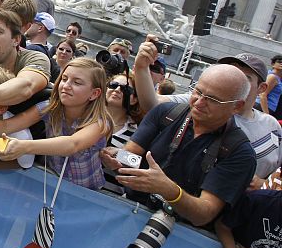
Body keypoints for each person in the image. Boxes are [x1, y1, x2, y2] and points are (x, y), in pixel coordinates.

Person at [100, 64, 256, 226]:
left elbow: (204, 214)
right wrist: (116, 157)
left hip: (179, 234)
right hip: (131, 212)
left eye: (212, 99)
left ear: (237, 106)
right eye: (198, 91)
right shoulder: (165, 113)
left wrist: (169, 190)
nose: (199, 102)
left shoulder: (239, 152)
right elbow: (132, 157)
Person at [133, 37, 282, 190]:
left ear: (262, 88)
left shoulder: (272, 126)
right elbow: (152, 104)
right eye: (231, 72)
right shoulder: (198, 101)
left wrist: (265, 184)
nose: (236, 79)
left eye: (246, 77)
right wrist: (141, 66)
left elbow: (277, 173)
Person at [0, 59, 114, 189]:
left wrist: (23, 147)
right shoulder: (49, 107)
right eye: (64, 79)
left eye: (77, 82)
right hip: (51, 184)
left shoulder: (100, 122)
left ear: (94, 93)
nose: (66, 85)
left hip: (85, 193)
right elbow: (8, 125)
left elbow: (72, 144)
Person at [258, 54, 282, 119]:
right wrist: (267, 115)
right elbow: (263, 94)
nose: (281, 63)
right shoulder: (272, 77)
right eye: (279, 61)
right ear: (273, 64)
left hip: (269, 108)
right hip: (262, 107)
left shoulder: (278, 78)